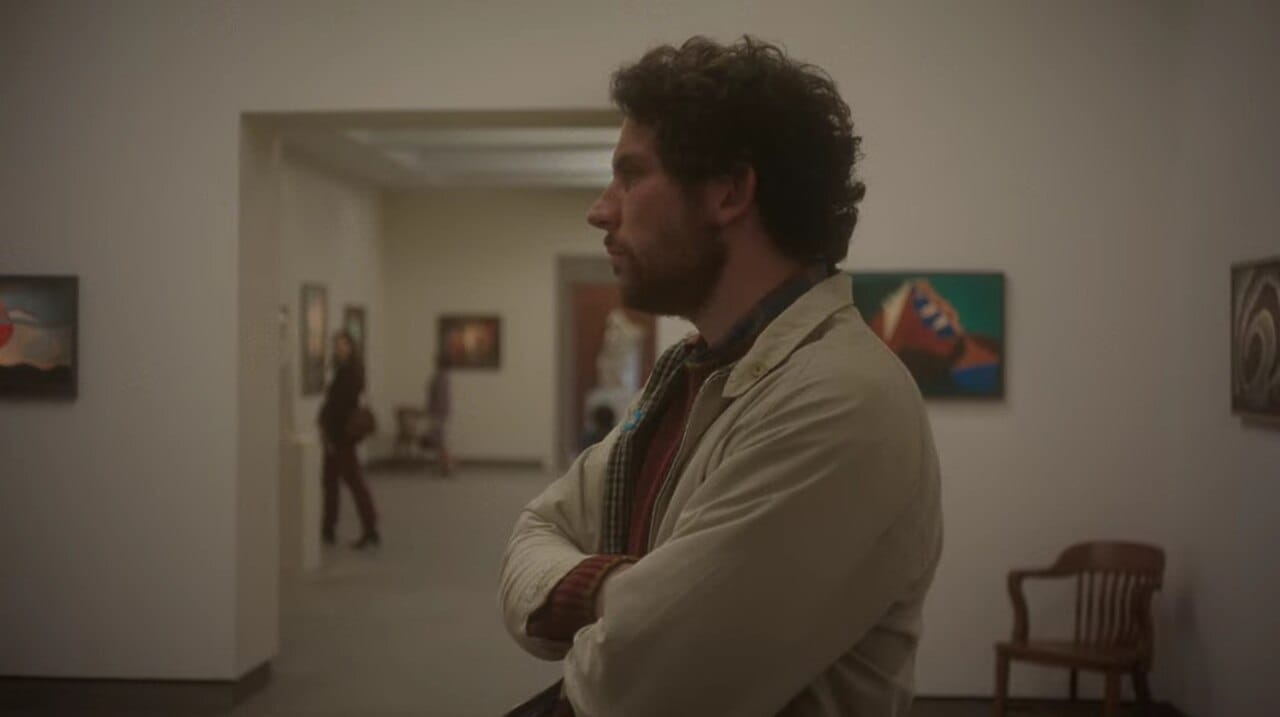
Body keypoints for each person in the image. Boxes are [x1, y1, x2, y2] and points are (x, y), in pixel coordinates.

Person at [499, 36, 943, 716]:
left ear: (730, 191)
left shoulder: (842, 399)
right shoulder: (694, 371)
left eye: (630, 176)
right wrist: (617, 592)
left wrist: (602, 600)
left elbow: (633, 687)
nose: (601, 210)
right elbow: (536, 528)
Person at [318, 330, 379, 549]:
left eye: (343, 344)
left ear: (351, 347)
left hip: (341, 437)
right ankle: (328, 528)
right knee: (331, 482)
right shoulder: (342, 370)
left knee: (353, 482)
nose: (339, 348)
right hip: (336, 436)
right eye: (336, 344)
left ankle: (369, 528)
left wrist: (332, 434)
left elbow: (340, 407)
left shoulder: (350, 372)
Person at [423, 352, 455, 476]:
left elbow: (438, 397)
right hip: (442, 412)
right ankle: (443, 465)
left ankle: (447, 465)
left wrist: (433, 413)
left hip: (438, 413)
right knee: (439, 441)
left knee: (439, 441)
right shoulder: (445, 377)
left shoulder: (439, 378)